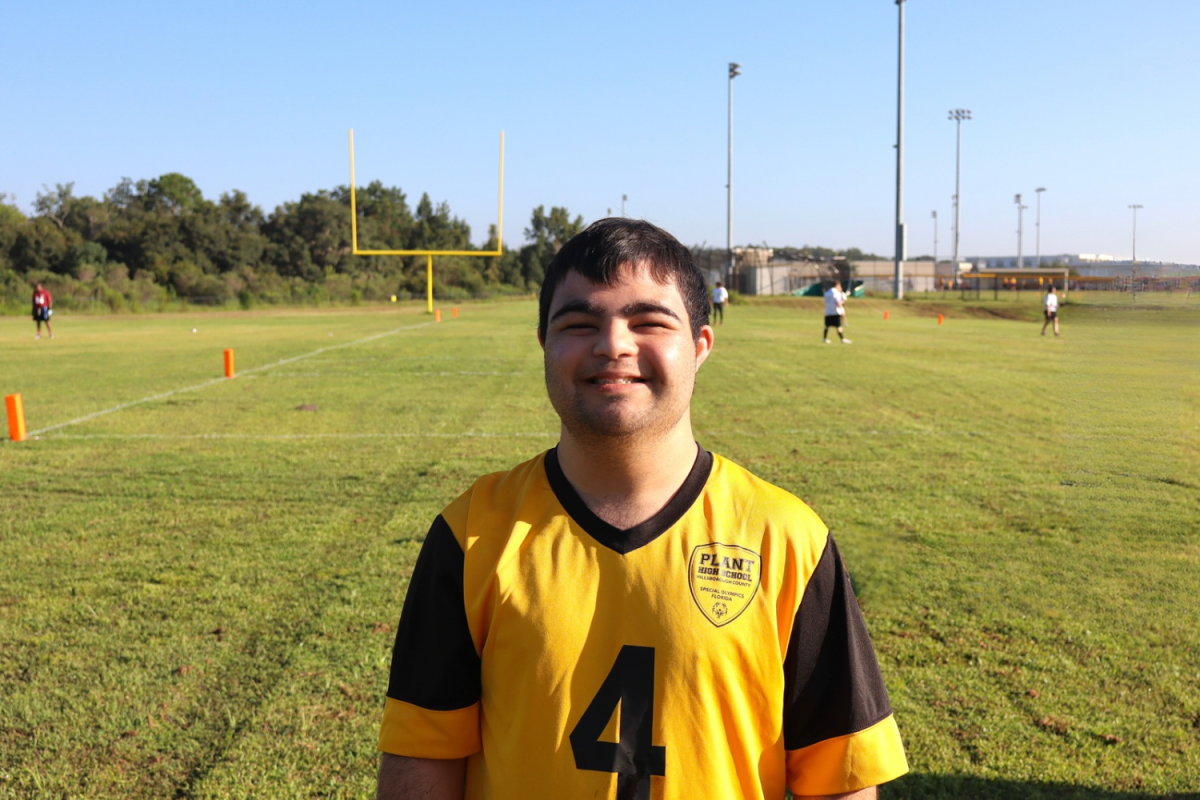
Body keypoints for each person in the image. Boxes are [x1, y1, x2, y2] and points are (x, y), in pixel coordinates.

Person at [376, 219, 907, 800]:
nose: (613, 344)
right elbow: (422, 761)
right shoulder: (472, 533)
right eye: (579, 323)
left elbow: (840, 779)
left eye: (649, 321)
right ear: (544, 346)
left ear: (701, 346)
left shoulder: (789, 540)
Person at [823, 279, 850, 344]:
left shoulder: (827, 292)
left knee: (827, 326)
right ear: (837, 285)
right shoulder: (836, 293)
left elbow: (825, 301)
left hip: (828, 312)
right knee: (838, 326)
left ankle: (825, 338)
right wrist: (841, 307)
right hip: (835, 312)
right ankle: (842, 339)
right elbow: (838, 302)